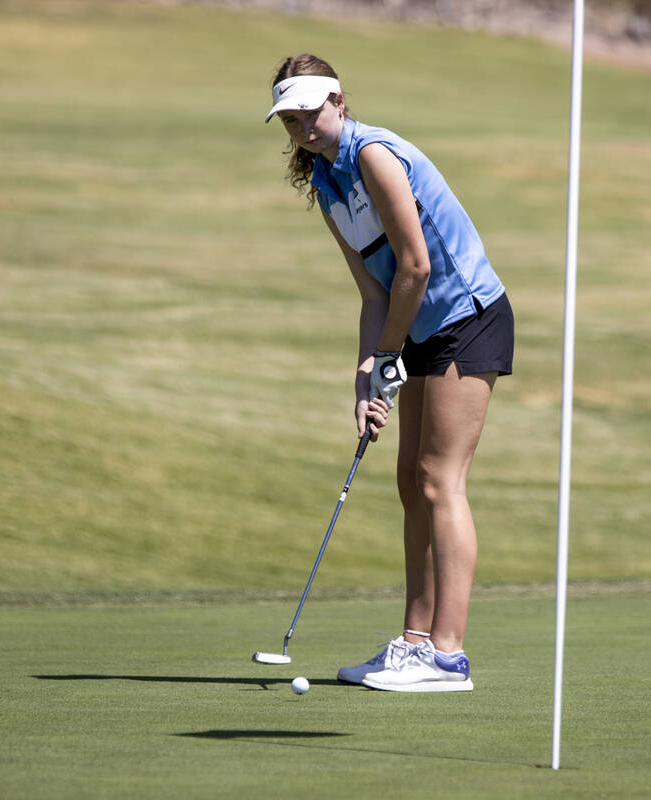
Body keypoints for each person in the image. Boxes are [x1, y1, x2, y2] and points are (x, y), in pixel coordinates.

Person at [265, 54, 514, 692]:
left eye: (311, 112)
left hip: (467, 317)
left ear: (339, 102)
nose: (303, 127)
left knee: (439, 480)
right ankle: (415, 643)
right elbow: (374, 295)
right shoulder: (325, 185)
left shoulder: (375, 155)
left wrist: (389, 354)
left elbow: (416, 266)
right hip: (415, 327)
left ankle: (448, 657)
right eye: (290, 119)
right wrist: (364, 377)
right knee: (410, 482)